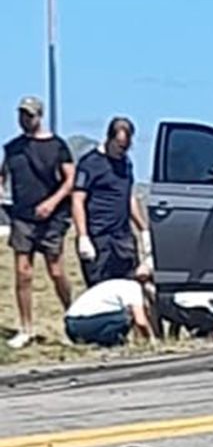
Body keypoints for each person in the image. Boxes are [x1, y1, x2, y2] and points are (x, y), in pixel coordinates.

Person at [0, 96, 76, 349]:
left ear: (39, 116)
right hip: (22, 216)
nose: (25, 119)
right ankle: (26, 327)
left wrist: (52, 203)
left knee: (56, 270)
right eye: (22, 114)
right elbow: (4, 174)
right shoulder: (12, 148)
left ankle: (72, 318)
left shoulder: (57, 146)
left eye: (29, 115)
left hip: (52, 218)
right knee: (23, 273)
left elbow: (69, 180)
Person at [72, 116, 150, 287]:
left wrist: (143, 229)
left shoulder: (126, 163)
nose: (123, 150)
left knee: (131, 286)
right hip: (99, 237)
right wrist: (83, 236)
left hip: (122, 238)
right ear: (109, 139)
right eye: (120, 145)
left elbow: (129, 197)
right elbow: (77, 200)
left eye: (126, 147)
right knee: (100, 289)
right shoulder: (90, 163)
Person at [63, 262, 156, 347]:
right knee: (127, 316)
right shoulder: (134, 288)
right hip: (81, 322)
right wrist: (151, 340)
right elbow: (141, 321)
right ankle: (112, 341)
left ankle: (100, 341)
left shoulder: (121, 285)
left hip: (72, 324)